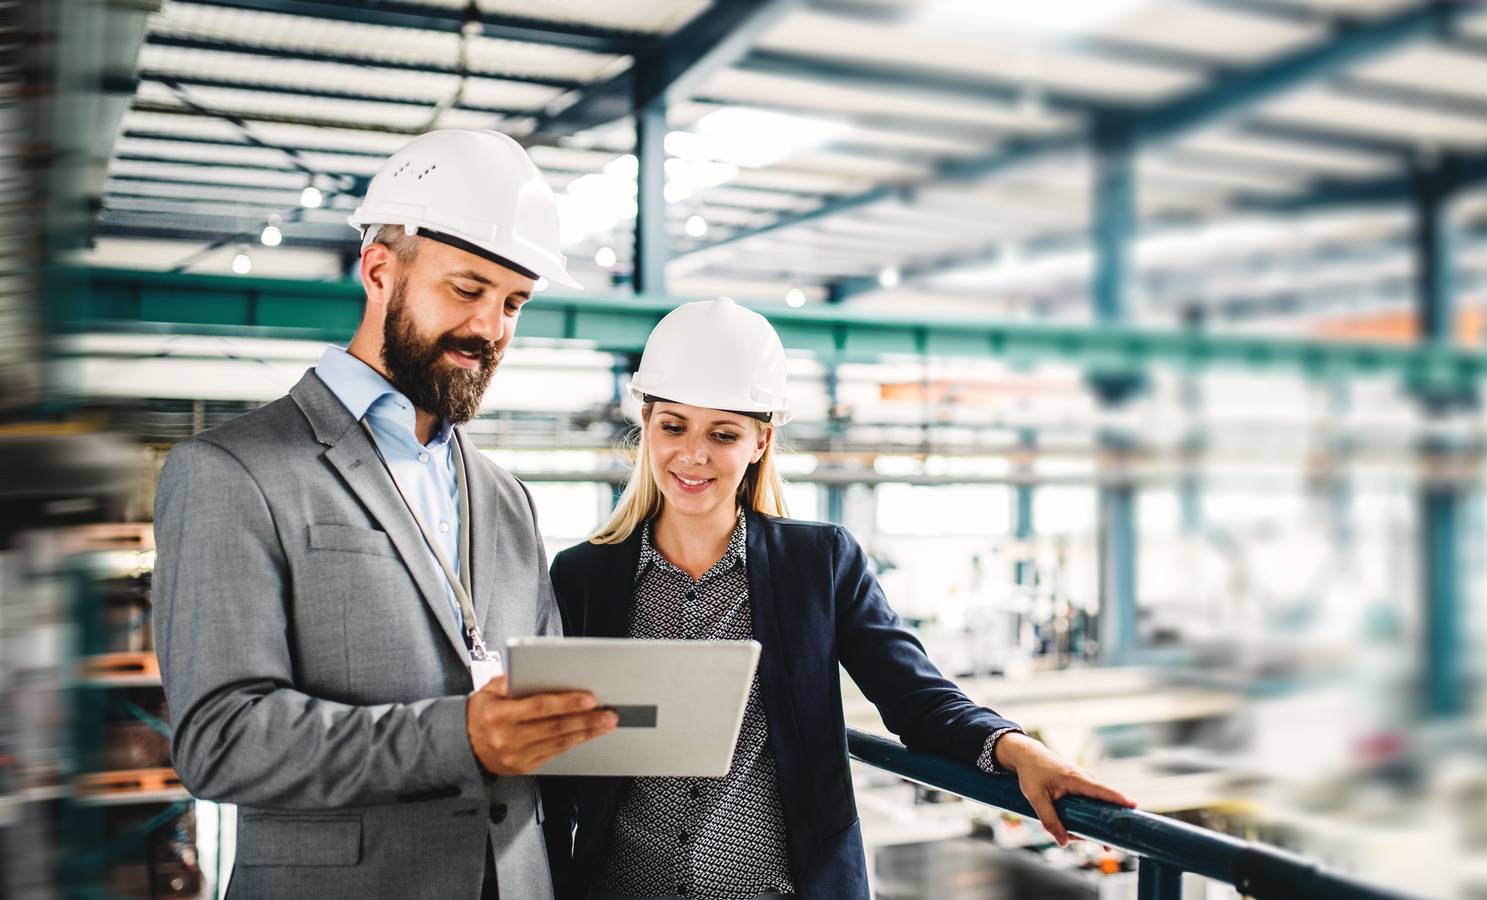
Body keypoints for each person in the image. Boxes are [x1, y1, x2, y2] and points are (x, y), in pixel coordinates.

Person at [152, 129, 618, 900]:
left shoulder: (506, 496)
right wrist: (457, 737)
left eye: (514, 304)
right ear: (378, 271)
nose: (492, 329)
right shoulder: (234, 472)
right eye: (467, 290)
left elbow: (537, 703)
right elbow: (220, 740)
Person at [545, 299, 1134, 900]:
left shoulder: (819, 565)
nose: (693, 455)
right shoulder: (584, 576)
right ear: (647, 426)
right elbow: (557, 750)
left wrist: (1018, 750)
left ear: (759, 442)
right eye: (673, 426)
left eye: (723, 434)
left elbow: (915, 697)